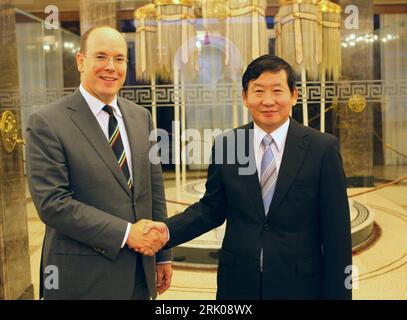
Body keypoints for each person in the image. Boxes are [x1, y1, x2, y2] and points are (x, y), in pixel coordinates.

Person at [144, 54, 352, 299]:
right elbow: (211, 209)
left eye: (277, 90)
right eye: (258, 91)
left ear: (294, 95)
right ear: (245, 97)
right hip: (239, 283)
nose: (268, 100)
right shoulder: (228, 145)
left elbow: (337, 234)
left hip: (300, 284)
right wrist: (166, 231)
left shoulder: (322, 149)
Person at [25, 26, 172, 300]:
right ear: (81, 61)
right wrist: (128, 233)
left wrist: (162, 254)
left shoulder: (141, 117)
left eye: (119, 59)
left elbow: (153, 190)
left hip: (139, 274)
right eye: (101, 57)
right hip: (82, 278)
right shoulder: (47, 122)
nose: (111, 67)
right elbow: (53, 204)